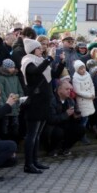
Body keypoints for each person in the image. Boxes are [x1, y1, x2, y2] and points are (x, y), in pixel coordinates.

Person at [21, 38, 65, 174]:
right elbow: (35, 72)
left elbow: (55, 75)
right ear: (33, 50)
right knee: (31, 134)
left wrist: (61, 62)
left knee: (38, 134)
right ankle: (28, 164)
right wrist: (49, 59)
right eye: (39, 48)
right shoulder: (27, 60)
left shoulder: (41, 61)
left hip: (44, 101)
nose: (42, 49)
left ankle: (35, 161)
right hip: (35, 102)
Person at [45, 81, 85, 157]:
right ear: (59, 90)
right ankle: (52, 150)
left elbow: (75, 119)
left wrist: (76, 117)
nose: (69, 91)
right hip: (53, 127)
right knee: (59, 132)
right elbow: (51, 119)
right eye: (67, 89)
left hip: (66, 124)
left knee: (81, 129)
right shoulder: (52, 100)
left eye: (70, 89)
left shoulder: (70, 100)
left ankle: (65, 148)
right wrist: (66, 114)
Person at [72, 60, 96, 144]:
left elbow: (91, 85)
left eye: (84, 68)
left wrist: (93, 93)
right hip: (83, 100)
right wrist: (89, 95)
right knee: (83, 119)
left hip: (89, 99)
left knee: (86, 118)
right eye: (80, 69)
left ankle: (83, 134)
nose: (83, 70)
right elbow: (78, 91)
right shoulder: (75, 78)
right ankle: (82, 136)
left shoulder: (88, 75)